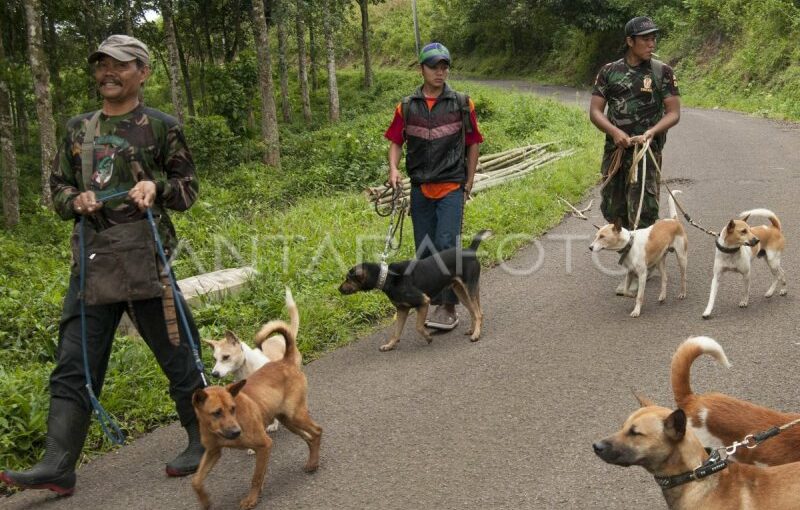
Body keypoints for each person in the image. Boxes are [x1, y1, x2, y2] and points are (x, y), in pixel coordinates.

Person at [0, 35, 205, 495]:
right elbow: (55, 190)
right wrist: (76, 199)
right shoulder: (77, 130)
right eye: (101, 65)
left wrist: (157, 188)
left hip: (147, 260)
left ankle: (203, 439)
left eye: (120, 65)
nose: (107, 73)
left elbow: (188, 187)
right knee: (74, 361)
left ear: (143, 72)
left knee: (177, 350)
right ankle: (57, 463)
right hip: (92, 263)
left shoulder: (160, 126)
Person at [384, 42, 484, 330]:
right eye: (434, 67)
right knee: (425, 251)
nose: (440, 72)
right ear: (422, 69)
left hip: (451, 186)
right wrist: (393, 168)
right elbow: (395, 142)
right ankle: (428, 301)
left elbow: (473, 142)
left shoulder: (462, 103)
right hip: (420, 189)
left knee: (445, 246)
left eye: (444, 67)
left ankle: (450, 306)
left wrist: (469, 179)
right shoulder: (406, 106)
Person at [589, 16, 681, 294]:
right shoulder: (609, 71)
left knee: (645, 208)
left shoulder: (661, 71)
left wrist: (652, 131)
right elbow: (595, 111)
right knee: (613, 209)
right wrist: (615, 132)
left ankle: (637, 267)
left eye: (654, 38)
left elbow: (674, 113)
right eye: (645, 39)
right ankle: (635, 255)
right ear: (630, 41)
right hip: (616, 151)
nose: (651, 43)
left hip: (646, 151)